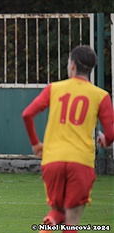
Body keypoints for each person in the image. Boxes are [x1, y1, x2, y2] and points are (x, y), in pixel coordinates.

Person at [22, 45, 114, 233]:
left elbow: (27, 114)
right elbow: (111, 133)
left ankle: (49, 223)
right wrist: (106, 141)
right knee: (72, 221)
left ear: (72, 66)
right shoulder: (101, 96)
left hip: (53, 160)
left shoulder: (54, 88)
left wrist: (35, 143)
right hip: (81, 162)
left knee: (58, 212)